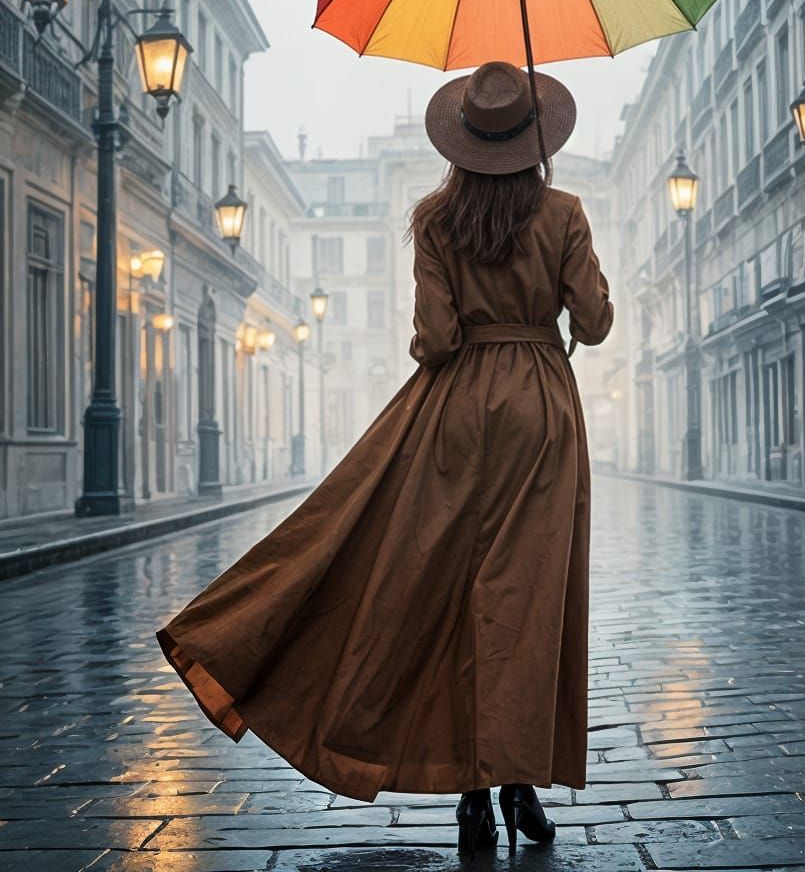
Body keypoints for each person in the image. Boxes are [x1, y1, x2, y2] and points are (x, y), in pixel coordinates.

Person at [155, 60, 614, 858]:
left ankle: (472, 793)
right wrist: (560, 296)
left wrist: (453, 334)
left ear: (462, 141)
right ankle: (520, 786)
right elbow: (597, 322)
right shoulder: (565, 210)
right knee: (527, 598)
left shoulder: (435, 219)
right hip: (542, 411)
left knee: (448, 589)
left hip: (458, 412)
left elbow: (435, 340)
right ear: (534, 140)